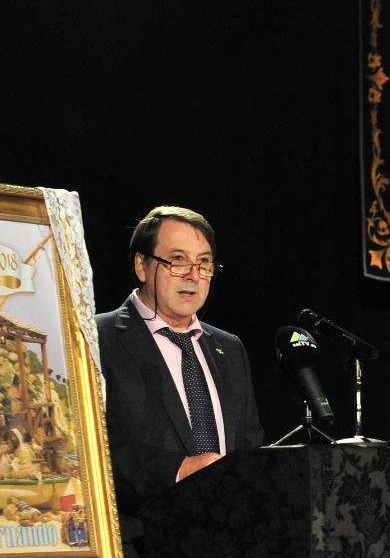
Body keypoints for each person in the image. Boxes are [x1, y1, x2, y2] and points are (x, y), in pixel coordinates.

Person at [95, 205, 265, 514]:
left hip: (229, 530)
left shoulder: (229, 348)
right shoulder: (97, 338)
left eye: (204, 263)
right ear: (142, 266)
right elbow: (87, 448)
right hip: (142, 531)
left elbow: (249, 446)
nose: (193, 275)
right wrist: (177, 470)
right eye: (177, 260)